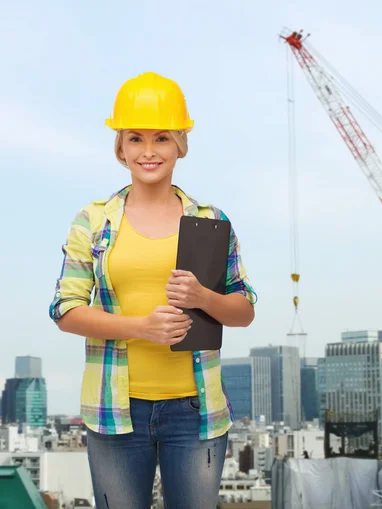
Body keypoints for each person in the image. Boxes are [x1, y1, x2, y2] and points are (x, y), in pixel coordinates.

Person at [48, 71, 257, 509]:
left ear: (180, 144)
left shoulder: (211, 220)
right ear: (120, 148)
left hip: (196, 412)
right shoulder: (94, 221)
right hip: (115, 410)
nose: (148, 151)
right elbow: (65, 310)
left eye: (161, 138)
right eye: (135, 138)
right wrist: (140, 327)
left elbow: (243, 309)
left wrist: (203, 298)